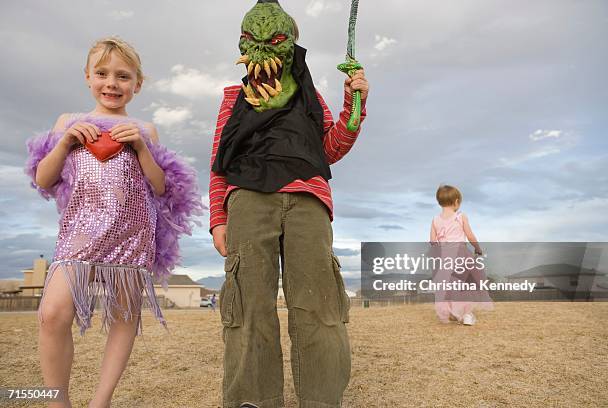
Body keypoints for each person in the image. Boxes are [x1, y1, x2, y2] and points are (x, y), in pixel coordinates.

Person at [25, 36, 202, 407]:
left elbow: (159, 186)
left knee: (124, 315)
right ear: (87, 77)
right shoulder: (69, 122)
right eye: (102, 73)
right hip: (80, 231)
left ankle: (100, 400)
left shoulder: (145, 129)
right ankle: (59, 402)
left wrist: (140, 146)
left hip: (132, 233)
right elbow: (43, 179)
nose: (112, 83)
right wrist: (65, 143)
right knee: (53, 313)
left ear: (137, 85)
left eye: (123, 76)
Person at [208, 1, 369, 407]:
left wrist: (355, 106)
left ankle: (322, 399)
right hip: (247, 202)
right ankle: (253, 400)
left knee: (319, 303)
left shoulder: (311, 97)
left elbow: (331, 148)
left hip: (308, 203)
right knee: (249, 307)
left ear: (292, 44)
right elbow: (219, 160)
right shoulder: (233, 97)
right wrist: (217, 219)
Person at [429, 185, 493, 326]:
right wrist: (477, 248)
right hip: (460, 254)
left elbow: (433, 242)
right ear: (456, 202)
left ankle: (453, 312)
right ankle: (466, 315)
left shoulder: (434, 220)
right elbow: (470, 235)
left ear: (439, 202)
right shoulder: (460, 217)